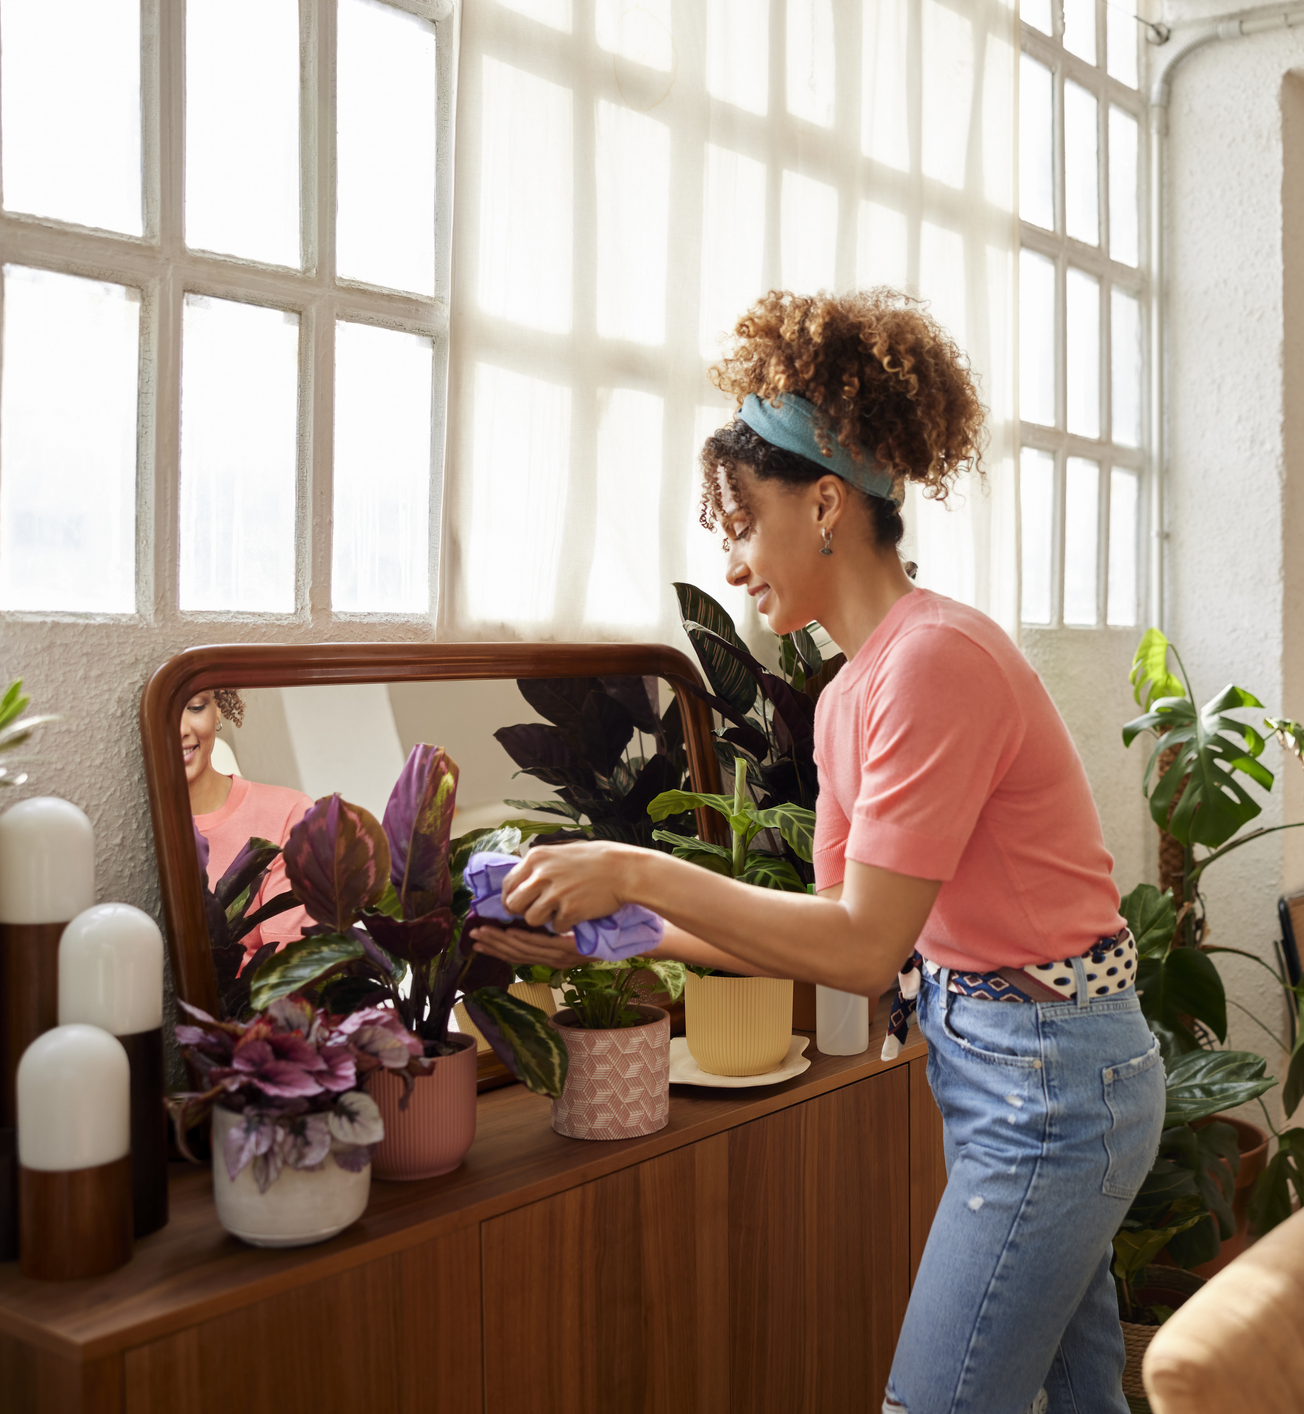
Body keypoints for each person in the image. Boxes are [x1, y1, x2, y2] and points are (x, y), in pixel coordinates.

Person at [471, 289, 1162, 1414]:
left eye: (743, 522)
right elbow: (829, 926)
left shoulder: (935, 663)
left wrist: (634, 866)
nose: (733, 562)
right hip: (1021, 1070)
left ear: (827, 505)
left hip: (1050, 1078)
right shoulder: (850, 694)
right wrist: (595, 942)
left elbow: (862, 946)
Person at [184, 688, 313, 959]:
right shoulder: (128, 833)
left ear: (218, 707)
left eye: (195, 707)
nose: (181, 729)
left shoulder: (288, 814)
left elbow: (291, 968)